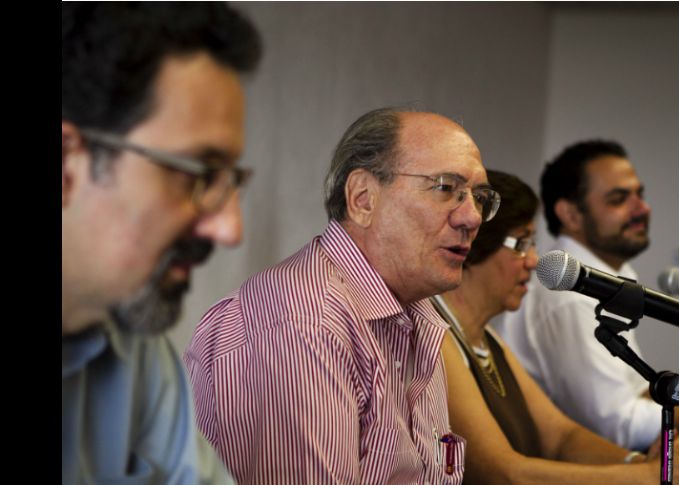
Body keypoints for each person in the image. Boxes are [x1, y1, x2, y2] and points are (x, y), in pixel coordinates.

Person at [185, 107, 500, 483]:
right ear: (363, 198)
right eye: (447, 188)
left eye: (479, 197)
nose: (473, 217)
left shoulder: (418, 315)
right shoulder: (305, 321)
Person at [62, 3, 262, 483]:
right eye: (198, 174)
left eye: (229, 180)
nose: (230, 229)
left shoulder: (135, 349)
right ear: (67, 166)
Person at [434, 169, 679, 484]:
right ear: (475, 245)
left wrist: (640, 462)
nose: (533, 260)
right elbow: (503, 473)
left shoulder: (489, 340)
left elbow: (561, 436)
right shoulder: (440, 338)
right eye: (521, 243)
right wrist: (643, 475)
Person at [493, 140, 679, 451]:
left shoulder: (607, 279)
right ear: (571, 214)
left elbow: (638, 394)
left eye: (640, 195)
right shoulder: (568, 294)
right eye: (619, 199)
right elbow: (620, 427)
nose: (642, 209)